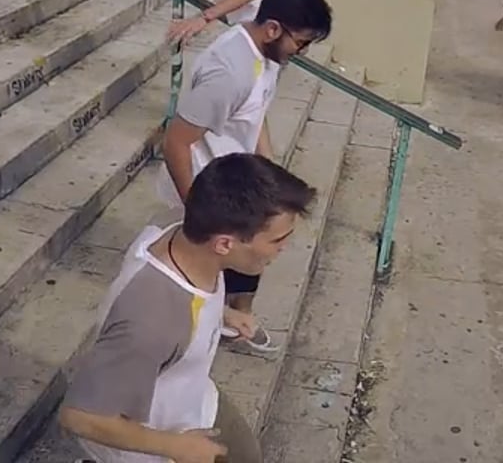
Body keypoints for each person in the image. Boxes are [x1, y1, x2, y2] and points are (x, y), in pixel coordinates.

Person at [59, 153, 316, 463]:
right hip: (150, 442)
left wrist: (221, 313)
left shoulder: (177, 229)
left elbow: (191, 298)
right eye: (278, 239)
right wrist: (176, 448)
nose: (284, 248)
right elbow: (80, 416)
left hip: (194, 401)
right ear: (224, 244)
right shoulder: (151, 320)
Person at [158, 0, 331, 361]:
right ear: (273, 28)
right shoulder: (229, 73)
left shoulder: (263, 56)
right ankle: (219, 330)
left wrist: (269, 173)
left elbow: (255, 113)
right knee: (230, 263)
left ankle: (237, 320)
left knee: (257, 253)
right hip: (212, 188)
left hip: (240, 178)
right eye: (300, 43)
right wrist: (199, 209)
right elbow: (175, 142)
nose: (300, 52)